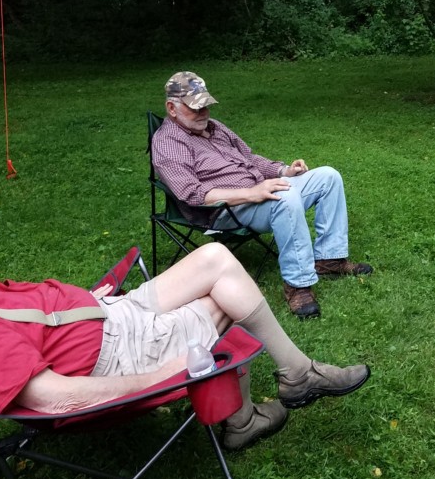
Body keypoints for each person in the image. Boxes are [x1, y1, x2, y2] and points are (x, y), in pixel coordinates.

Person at [0, 191, 371, 452]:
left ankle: (296, 375)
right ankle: (244, 420)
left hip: (110, 317)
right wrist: (166, 375)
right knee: (223, 301)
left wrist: (84, 304)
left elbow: (31, 320)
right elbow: (53, 397)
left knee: (219, 262)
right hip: (117, 354)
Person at [151, 71, 372, 319]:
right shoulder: (169, 142)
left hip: (259, 191)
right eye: (195, 107)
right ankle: (298, 286)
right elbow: (191, 194)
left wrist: (283, 170)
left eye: (206, 106)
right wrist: (251, 193)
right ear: (172, 107)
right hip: (224, 210)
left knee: (328, 177)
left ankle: (330, 260)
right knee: (285, 199)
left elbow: (250, 159)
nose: (204, 112)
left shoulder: (215, 128)